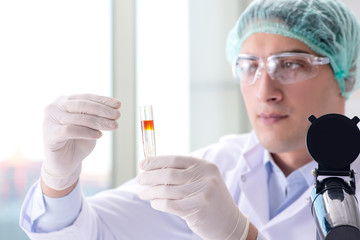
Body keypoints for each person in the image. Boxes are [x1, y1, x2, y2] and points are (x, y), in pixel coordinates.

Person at [20, 0, 360, 239]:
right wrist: (59, 178)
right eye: (249, 66)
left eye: (290, 64)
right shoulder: (215, 170)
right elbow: (85, 233)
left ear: (344, 75)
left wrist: (240, 236)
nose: (264, 91)